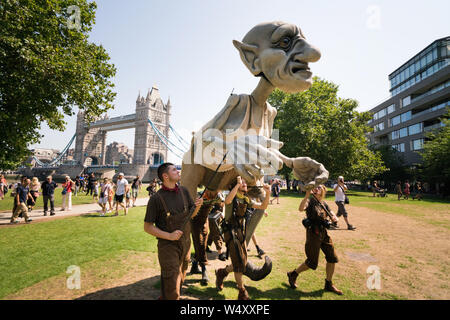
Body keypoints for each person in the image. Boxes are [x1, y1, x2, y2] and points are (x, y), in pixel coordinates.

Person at [144, 163, 203, 300]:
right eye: (174, 170)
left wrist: (197, 206)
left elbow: (191, 215)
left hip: (186, 245)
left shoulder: (184, 191)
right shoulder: (156, 199)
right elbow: (147, 227)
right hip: (168, 248)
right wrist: (169, 236)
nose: (178, 171)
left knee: (179, 280)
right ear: (165, 176)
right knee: (173, 291)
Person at [215, 176, 270, 300]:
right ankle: (242, 292)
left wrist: (268, 193)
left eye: (245, 182)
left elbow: (262, 206)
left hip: (240, 233)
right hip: (230, 233)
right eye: (242, 182)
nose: (244, 184)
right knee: (239, 263)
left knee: (242, 261)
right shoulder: (232, 195)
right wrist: (237, 184)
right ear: (236, 185)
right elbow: (227, 201)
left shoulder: (246, 199)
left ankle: (222, 272)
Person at [286, 185, 343, 295]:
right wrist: (306, 196)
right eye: (315, 187)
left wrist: (334, 217)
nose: (316, 188)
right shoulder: (310, 201)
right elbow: (301, 208)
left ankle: (328, 283)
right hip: (313, 234)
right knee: (312, 262)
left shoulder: (324, 203)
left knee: (332, 257)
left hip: (324, 233)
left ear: (323, 191)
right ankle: (293, 274)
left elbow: (331, 213)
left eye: (319, 187)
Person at [190, 189, 224, 285]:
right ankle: (204, 270)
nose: (215, 193)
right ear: (208, 188)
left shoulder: (217, 196)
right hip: (194, 222)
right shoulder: (199, 196)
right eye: (214, 190)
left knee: (203, 245)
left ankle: (194, 266)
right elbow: (191, 212)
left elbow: (224, 203)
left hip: (205, 221)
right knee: (200, 244)